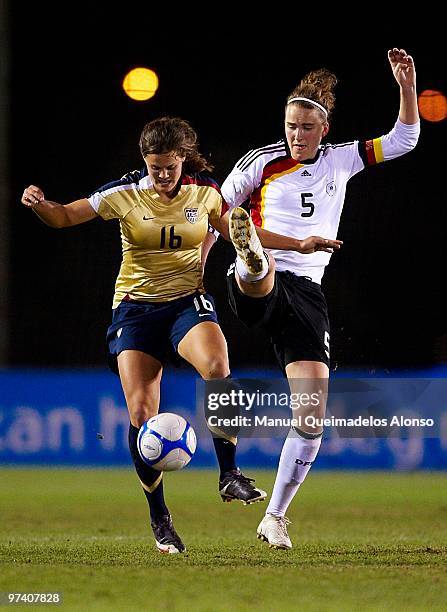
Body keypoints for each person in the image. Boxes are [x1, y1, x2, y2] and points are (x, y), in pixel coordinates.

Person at [20, 116, 274, 554]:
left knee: (218, 367)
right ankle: (159, 517)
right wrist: (39, 204)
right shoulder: (124, 194)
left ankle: (229, 474)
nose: (161, 175)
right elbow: (64, 217)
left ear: (182, 160)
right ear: (145, 161)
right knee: (141, 413)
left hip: (185, 303)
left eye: (169, 167)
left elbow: (246, 233)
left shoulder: (205, 193)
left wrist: (300, 243)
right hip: (135, 311)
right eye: (153, 167)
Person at [221, 48, 420, 549]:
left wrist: (406, 86)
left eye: (306, 127)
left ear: (323, 129)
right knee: (259, 270)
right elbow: (219, 214)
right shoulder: (261, 162)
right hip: (269, 271)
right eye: (290, 124)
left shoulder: (342, 159)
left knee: (312, 416)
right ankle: (252, 260)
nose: (296, 134)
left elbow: (405, 139)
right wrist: (280, 245)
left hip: (309, 293)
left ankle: (274, 518)